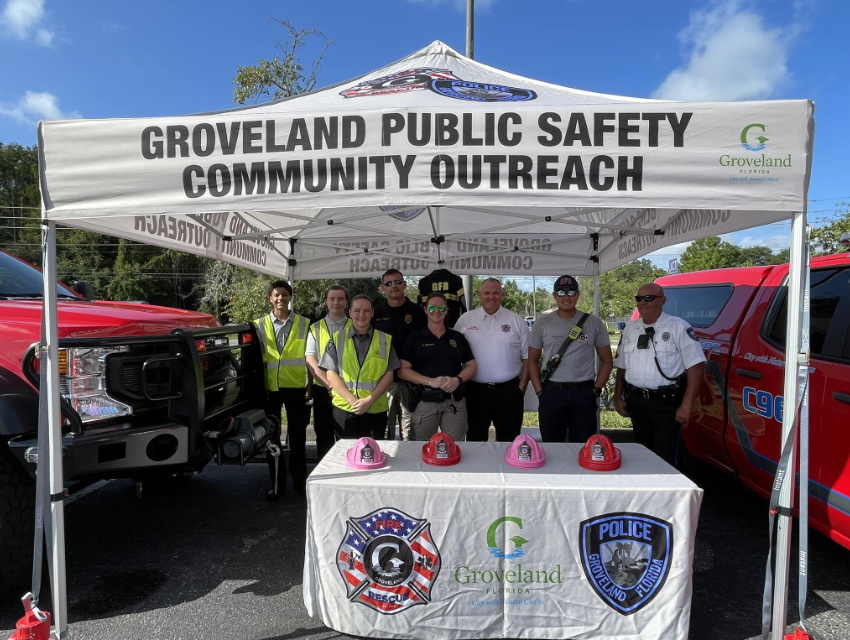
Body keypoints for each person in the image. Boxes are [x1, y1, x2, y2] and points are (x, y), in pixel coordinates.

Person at [613, 283, 706, 467]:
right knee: (641, 452)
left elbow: (696, 366)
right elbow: (621, 366)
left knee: (665, 457)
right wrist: (617, 397)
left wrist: (686, 405)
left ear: (662, 300)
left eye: (649, 298)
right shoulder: (630, 328)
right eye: (639, 299)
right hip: (637, 402)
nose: (643, 302)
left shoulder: (677, 327)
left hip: (666, 405)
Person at [528, 275, 613, 443]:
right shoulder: (542, 323)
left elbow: (607, 361)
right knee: (552, 445)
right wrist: (540, 392)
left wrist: (596, 390)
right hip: (551, 393)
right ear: (554, 296)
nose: (566, 297)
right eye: (561, 292)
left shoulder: (594, 322)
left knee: (583, 445)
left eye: (571, 292)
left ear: (578, 295)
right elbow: (532, 361)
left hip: (583, 393)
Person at [454, 278, 529, 442]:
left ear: (502, 295)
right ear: (479, 295)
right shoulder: (465, 320)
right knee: (475, 439)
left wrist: (520, 389)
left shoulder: (516, 321)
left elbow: (528, 359)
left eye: (495, 293)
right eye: (487, 293)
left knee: (509, 441)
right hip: (474, 392)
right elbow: (454, 354)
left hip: (508, 392)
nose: (491, 297)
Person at [253, 280, 310, 495]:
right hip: (270, 389)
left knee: (298, 437)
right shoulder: (258, 324)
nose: (280, 298)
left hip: (296, 387)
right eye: (276, 295)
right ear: (270, 298)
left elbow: (309, 358)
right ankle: (276, 484)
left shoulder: (304, 323)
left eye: (284, 295)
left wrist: (309, 385)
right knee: (271, 438)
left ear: (290, 297)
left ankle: (299, 483)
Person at [319, 295, 399, 440]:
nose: (361, 315)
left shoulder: (385, 340)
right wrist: (352, 401)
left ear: (372, 313)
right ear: (350, 312)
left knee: (374, 456)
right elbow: (331, 373)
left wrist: (368, 400)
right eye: (357, 311)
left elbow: (389, 375)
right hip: (345, 408)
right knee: (345, 456)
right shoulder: (337, 338)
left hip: (375, 408)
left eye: (366, 311)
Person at [399, 292, 477, 442]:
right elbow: (403, 371)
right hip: (425, 401)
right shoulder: (414, 338)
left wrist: (458, 380)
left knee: (455, 447)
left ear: (447, 310)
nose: (436, 311)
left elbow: (472, 365)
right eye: (432, 307)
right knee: (423, 448)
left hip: (454, 402)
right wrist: (430, 381)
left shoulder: (457, 337)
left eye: (441, 308)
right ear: (425, 310)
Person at [372, 269, 427, 440]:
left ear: (404, 284)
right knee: (383, 427)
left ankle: (410, 466)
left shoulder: (418, 312)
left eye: (397, 282)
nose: (393, 286)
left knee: (409, 430)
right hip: (383, 379)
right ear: (383, 288)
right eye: (388, 283)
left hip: (410, 380)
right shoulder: (376, 312)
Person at [305, 285, 351, 461]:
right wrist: (329, 385)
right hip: (323, 390)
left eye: (340, 299)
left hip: (348, 390)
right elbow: (311, 360)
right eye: (332, 299)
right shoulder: (315, 328)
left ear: (346, 302)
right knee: (323, 437)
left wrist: (339, 388)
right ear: (326, 302)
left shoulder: (355, 325)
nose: (336, 302)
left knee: (346, 438)